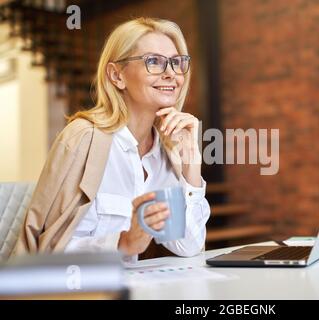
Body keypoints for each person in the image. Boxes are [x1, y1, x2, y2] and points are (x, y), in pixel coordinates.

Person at [14, 17, 210, 260]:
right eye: (154, 62)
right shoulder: (83, 139)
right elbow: (49, 251)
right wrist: (123, 243)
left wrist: (191, 165)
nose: (171, 74)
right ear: (117, 75)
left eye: (176, 62)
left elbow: (189, 246)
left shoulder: (165, 151)